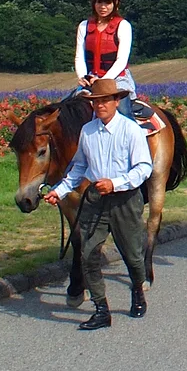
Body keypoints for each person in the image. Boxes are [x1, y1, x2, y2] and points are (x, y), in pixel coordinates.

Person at [44, 78, 151, 328]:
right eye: (95, 102)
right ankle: (101, 309)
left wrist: (116, 183)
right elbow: (79, 167)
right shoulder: (88, 132)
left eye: (105, 101)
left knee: (133, 255)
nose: (100, 106)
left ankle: (137, 290)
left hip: (125, 200)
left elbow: (144, 167)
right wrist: (58, 192)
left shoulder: (131, 130)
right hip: (94, 200)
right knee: (88, 253)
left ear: (116, 102)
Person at [73, 0, 138, 121]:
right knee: (65, 108)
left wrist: (103, 80)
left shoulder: (123, 26)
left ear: (115, 4)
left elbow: (121, 60)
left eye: (107, 3)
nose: (103, 6)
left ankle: (136, 138)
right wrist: (83, 77)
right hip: (91, 78)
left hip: (117, 79)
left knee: (123, 111)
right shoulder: (84, 26)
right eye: (99, 2)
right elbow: (79, 57)